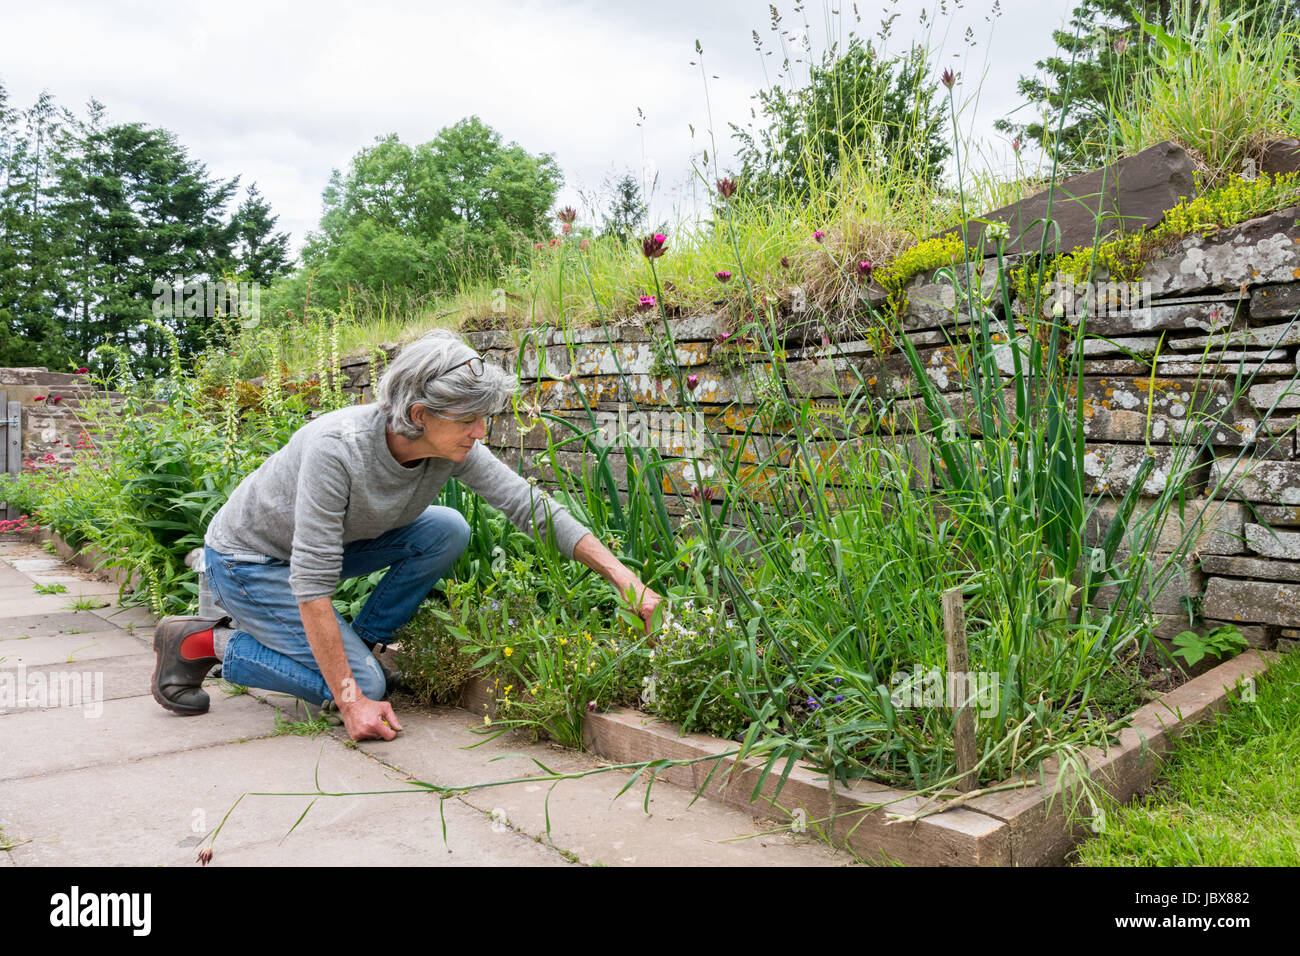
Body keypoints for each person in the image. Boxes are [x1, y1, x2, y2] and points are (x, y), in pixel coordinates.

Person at [150, 328, 662, 742]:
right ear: (419, 415)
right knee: (363, 687)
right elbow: (311, 584)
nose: (481, 432)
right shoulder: (338, 450)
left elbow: (529, 506)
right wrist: (353, 701)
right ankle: (201, 642)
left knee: (446, 528)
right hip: (249, 562)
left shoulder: (447, 446)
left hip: (322, 553)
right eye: (470, 419)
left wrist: (624, 578)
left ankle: (361, 645)